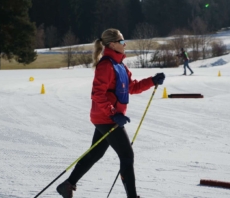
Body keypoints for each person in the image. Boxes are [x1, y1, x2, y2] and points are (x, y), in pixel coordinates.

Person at [56, 28, 165, 198]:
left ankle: (67, 185)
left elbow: (132, 87)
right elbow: (97, 94)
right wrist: (113, 114)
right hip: (106, 118)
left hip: (108, 117)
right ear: (113, 44)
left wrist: (152, 80)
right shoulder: (106, 65)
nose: (125, 44)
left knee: (96, 153)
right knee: (127, 155)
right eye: (122, 41)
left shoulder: (120, 65)